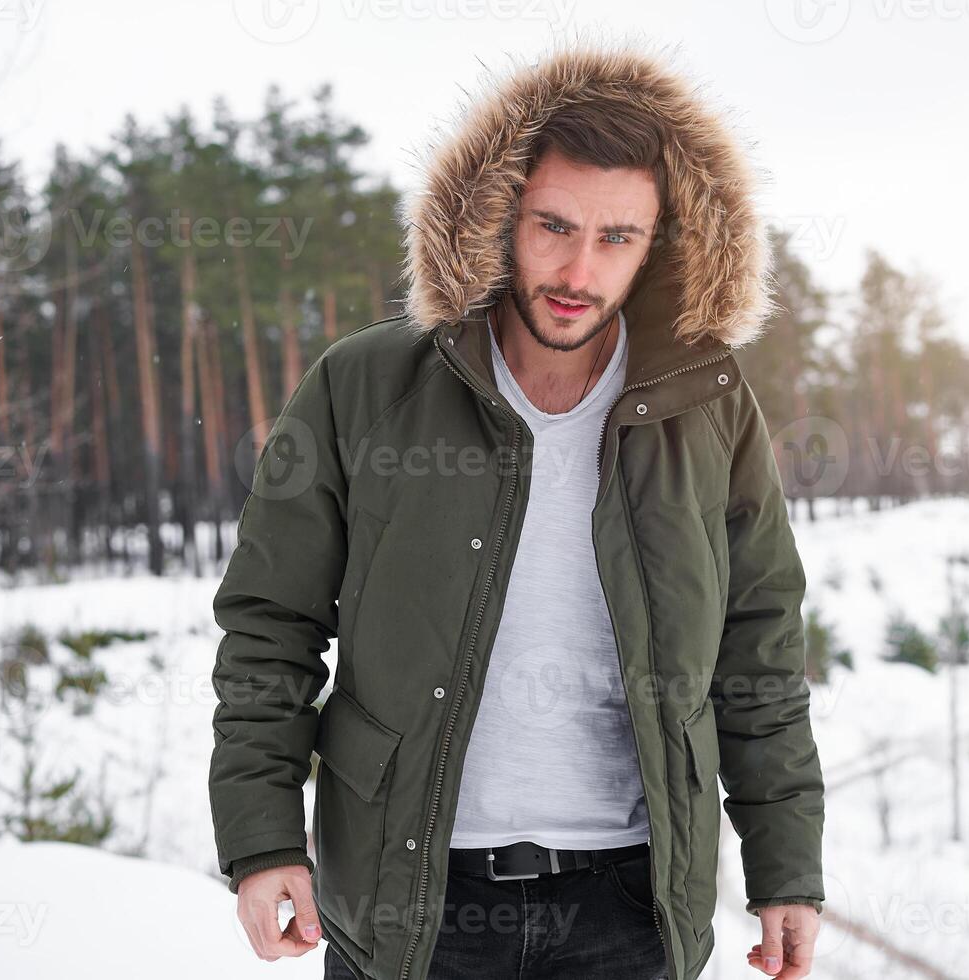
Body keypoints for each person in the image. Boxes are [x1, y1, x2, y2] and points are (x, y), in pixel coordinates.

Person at [208, 38, 825, 980]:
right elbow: (272, 624)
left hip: (631, 908)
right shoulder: (366, 387)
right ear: (499, 215)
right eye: (555, 226)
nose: (580, 270)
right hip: (410, 900)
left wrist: (786, 868)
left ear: (661, 244)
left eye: (618, 236)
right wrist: (261, 840)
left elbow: (759, 643)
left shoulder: (708, 405)